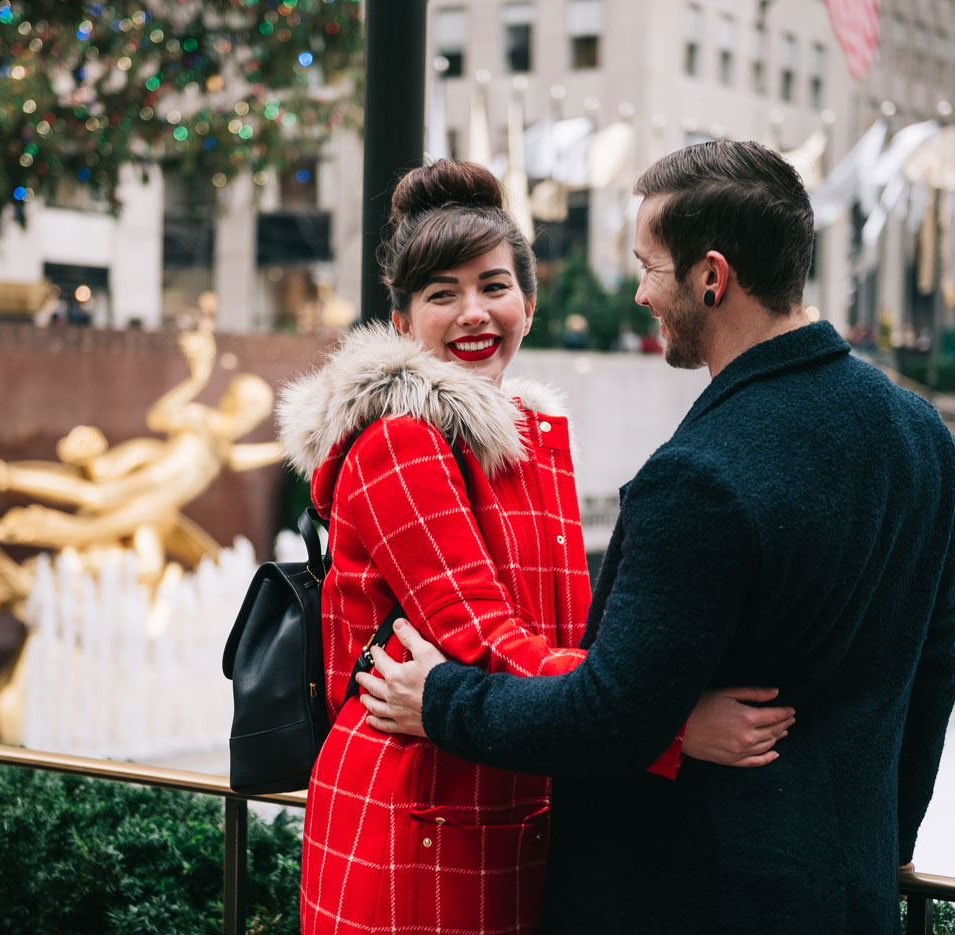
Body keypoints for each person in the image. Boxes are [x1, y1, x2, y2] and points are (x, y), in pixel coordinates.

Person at [358, 141, 955, 934]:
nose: (642, 292)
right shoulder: (919, 432)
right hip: (849, 896)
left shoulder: (699, 477)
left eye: (650, 266)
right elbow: (934, 661)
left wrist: (440, 698)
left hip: (690, 897)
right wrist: (885, 845)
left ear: (711, 276)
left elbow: (611, 717)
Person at [274, 159, 796, 935]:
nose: (472, 313)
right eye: (440, 294)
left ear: (529, 298)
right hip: (413, 805)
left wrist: (625, 703)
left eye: (492, 285)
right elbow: (479, 640)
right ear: (403, 320)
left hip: (510, 782)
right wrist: (668, 723)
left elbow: (575, 633)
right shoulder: (398, 441)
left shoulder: (533, 436)